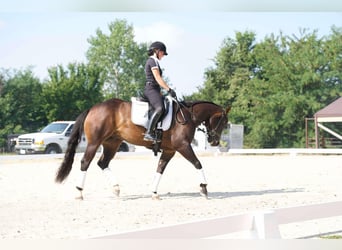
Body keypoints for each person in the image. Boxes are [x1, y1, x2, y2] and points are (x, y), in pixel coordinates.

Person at [143, 41, 177, 142]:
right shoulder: (152, 61)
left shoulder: (155, 61)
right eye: (162, 52)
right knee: (160, 108)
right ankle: (149, 133)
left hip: (155, 89)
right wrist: (169, 89)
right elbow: (158, 78)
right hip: (151, 89)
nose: (163, 55)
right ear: (156, 51)